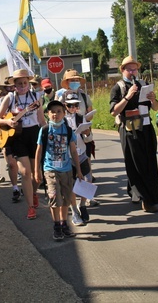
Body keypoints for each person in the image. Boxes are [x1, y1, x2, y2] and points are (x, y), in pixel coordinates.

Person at [110, 56, 158, 212]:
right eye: (129, 69)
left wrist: (153, 100)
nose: (133, 72)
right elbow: (114, 111)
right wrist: (128, 96)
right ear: (123, 70)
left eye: (135, 69)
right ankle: (145, 198)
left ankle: (138, 192)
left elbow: (155, 108)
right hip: (130, 128)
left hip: (146, 126)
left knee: (149, 161)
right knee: (135, 163)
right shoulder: (118, 87)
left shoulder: (143, 84)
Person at [0, 69, 45, 219]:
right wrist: (7, 121)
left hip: (34, 134)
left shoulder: (36, 97)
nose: (23, 85)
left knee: (37, 174)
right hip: (18, 136)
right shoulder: (9, 98)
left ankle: (34, 193)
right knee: (25, 172)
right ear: (14, 85)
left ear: (29, 83)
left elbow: (41, 120)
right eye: (19, 83)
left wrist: (49, 132)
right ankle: (30, 207)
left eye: (25, 83)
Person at [35, 100, 83, 240]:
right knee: (54, 197)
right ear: (48, 114)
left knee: (66, 199)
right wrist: (36, 170)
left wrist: (78, 170)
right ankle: (56, 226)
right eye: (52, 111)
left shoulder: (67, 130)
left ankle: (64, 224)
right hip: (50, 169)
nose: (55, 114)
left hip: (66, 170)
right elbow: (39, 150)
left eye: (59, 111)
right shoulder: (44, 130)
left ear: (64, 113)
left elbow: (73, 151)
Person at [58, 69, 98, 205]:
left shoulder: (84, 96)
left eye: (76, 80)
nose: (75, 82)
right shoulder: (61, 96)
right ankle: (72, 201)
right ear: (66, 82)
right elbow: (56, 114)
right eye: (71, 80)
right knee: (71, 172)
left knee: (87, 166)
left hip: (82, 133)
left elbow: (90, 112)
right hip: (67, 138)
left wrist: (84, 118)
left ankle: (86, 199)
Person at [64, 93, 94, 225]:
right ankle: (74, 211)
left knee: (87, 180)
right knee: (71, 184)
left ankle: (82, 205)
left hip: (81, 153)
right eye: (70, 105)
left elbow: (89, 139)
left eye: (76, 105)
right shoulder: (62, 120)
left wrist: (87, 133)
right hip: (67, 156)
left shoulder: (82, 118)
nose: (73, 107)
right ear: (65, 106)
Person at [0, 77, 21, 201]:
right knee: (11, 163)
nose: (11, 89)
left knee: (23, 164)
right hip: (6, 134)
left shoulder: (24, 99)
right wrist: (7, 121)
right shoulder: (1, 101)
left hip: (20, 134)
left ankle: (27, 186)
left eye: (12, 86)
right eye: (8, 87)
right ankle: (15, 188)